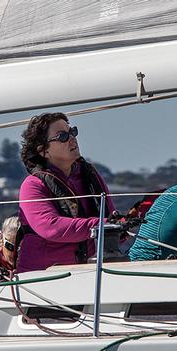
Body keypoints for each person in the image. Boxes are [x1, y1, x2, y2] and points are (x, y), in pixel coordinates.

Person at [16, 112, 115, 272]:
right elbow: (51, 227)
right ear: (43, 151)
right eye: (62, 136)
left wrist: (123, 225)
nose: (72, 138)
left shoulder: (90, 177)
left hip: (88, 274)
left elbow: (112, 216)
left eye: (72, 132)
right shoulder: (32, 185)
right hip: (42, 278)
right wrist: (102, 225)